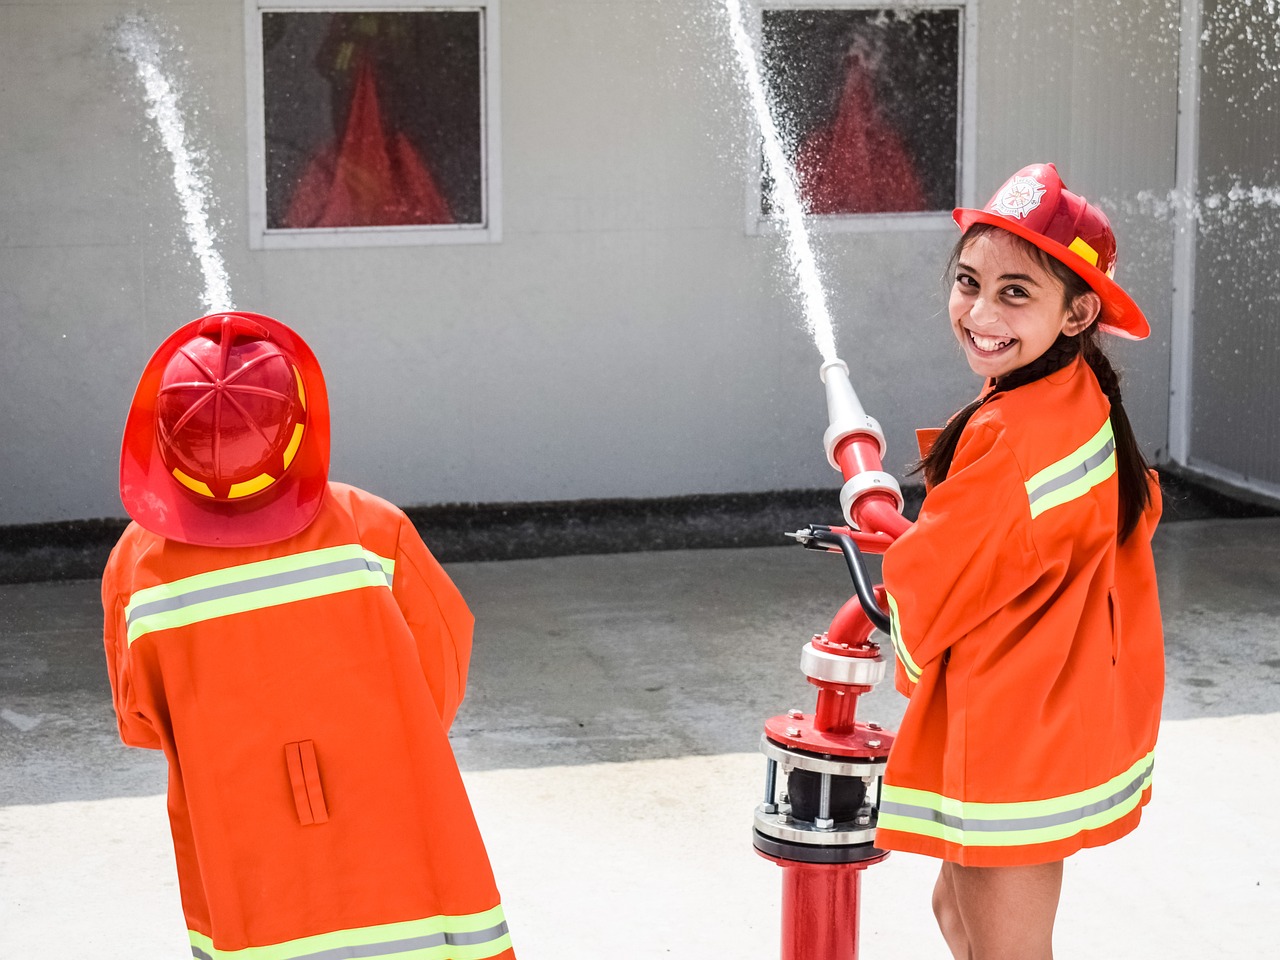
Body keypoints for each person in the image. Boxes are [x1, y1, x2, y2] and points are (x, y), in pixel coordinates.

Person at [101, 311, 514, 960]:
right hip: (399, 844)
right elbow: (442, 668)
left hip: (247, 870)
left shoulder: (137, 568)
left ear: (163, 440)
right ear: (296, 426)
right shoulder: (371, 530)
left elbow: (141, 722)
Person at [874, 163, 1163, 960]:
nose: (979, 311)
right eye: (968, 282)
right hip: (1059, 699)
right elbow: (1011, 540)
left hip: (1012, 724)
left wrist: (892, 567)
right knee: (956, 911)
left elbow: (938, 578)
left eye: (1015, 293)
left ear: (1078, 313)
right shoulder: (1080, 397)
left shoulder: (1012, 435)